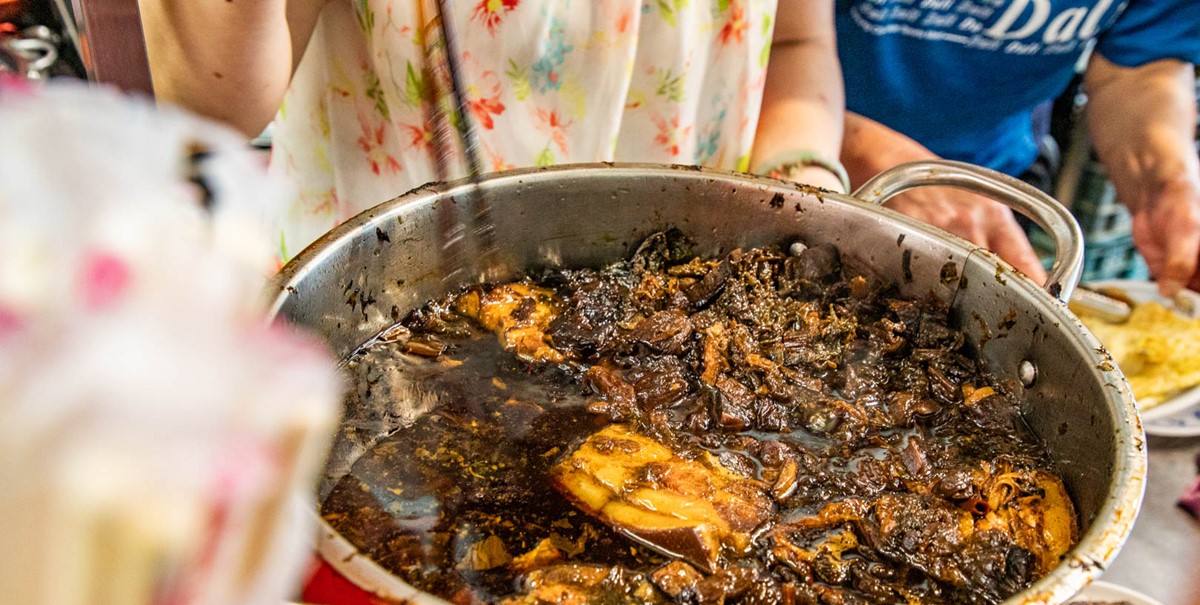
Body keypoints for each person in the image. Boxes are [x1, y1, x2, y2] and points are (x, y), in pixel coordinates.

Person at [137, 0, 845, 262]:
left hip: (694, 297)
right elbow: (210, 102)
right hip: (381, 311)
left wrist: (808, 193)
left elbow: (794, 47)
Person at [835, 0, 1200, 294]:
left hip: (998, 185)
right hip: (817, 170)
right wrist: (881, 163)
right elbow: (791, 45)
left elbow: (1137, 69)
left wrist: (1168, 178)